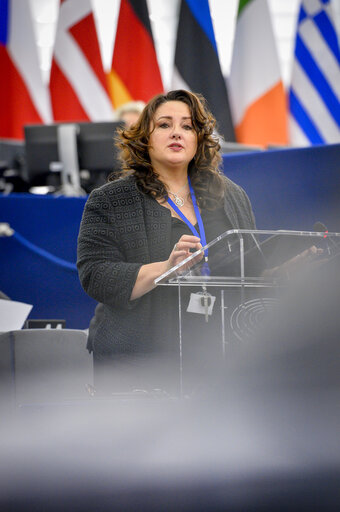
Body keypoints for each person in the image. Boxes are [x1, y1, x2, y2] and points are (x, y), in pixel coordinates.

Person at [77, 89, 257, 393]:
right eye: (164, 125)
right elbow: (95, 275)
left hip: (218, 357)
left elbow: (247, 267)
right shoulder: (109, 199)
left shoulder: (231, 195)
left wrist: (283, 265)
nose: (177, 133)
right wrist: (166, 269)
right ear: (144, 137)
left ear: (200, 138)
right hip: (137, 363)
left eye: (187, 126)